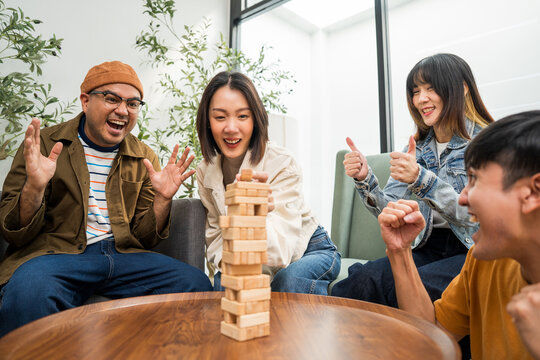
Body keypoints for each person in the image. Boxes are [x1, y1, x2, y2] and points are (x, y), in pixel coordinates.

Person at [0, 61, 212, 337]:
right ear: (85, 101)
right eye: (111, 99)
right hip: (58, 256)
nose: (122, 110)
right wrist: (35, 187)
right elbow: (12, 231)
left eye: (133, 103)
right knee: (29, 291)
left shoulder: (144, 156)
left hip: (123, 257)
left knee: (195, 283)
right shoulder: (43, 145)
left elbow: (146, 238)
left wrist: (162, 198)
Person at [332, 53, 494, 307]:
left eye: (431, 88)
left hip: (474, 250)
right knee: (364, 279)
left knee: (408, 290)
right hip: (427, 246)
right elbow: (390, 210)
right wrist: (365, 179)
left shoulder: (487, 142)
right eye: (416, 91)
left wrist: (422, 179)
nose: (421, 99)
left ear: (462, 89)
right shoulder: (417, 148)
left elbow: (481, 215)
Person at [377, 111, 540, 359]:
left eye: (474, 179)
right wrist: (400, 251)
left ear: (532, 193)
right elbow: (431, 334)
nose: (462, 198)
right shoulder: (481, 261)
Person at [195, 71, 340, 294]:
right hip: (244, 254)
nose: (231, 128)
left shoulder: (282, 162)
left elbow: (281, 251)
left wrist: (254, 216)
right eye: (220, 117)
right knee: (224, 284)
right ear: (207, 121)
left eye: (242, 116)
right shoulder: (205, 171)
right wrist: (233, 268)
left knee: (287, 282)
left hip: (309, 248)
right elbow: (215, 235)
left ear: (255, 120)